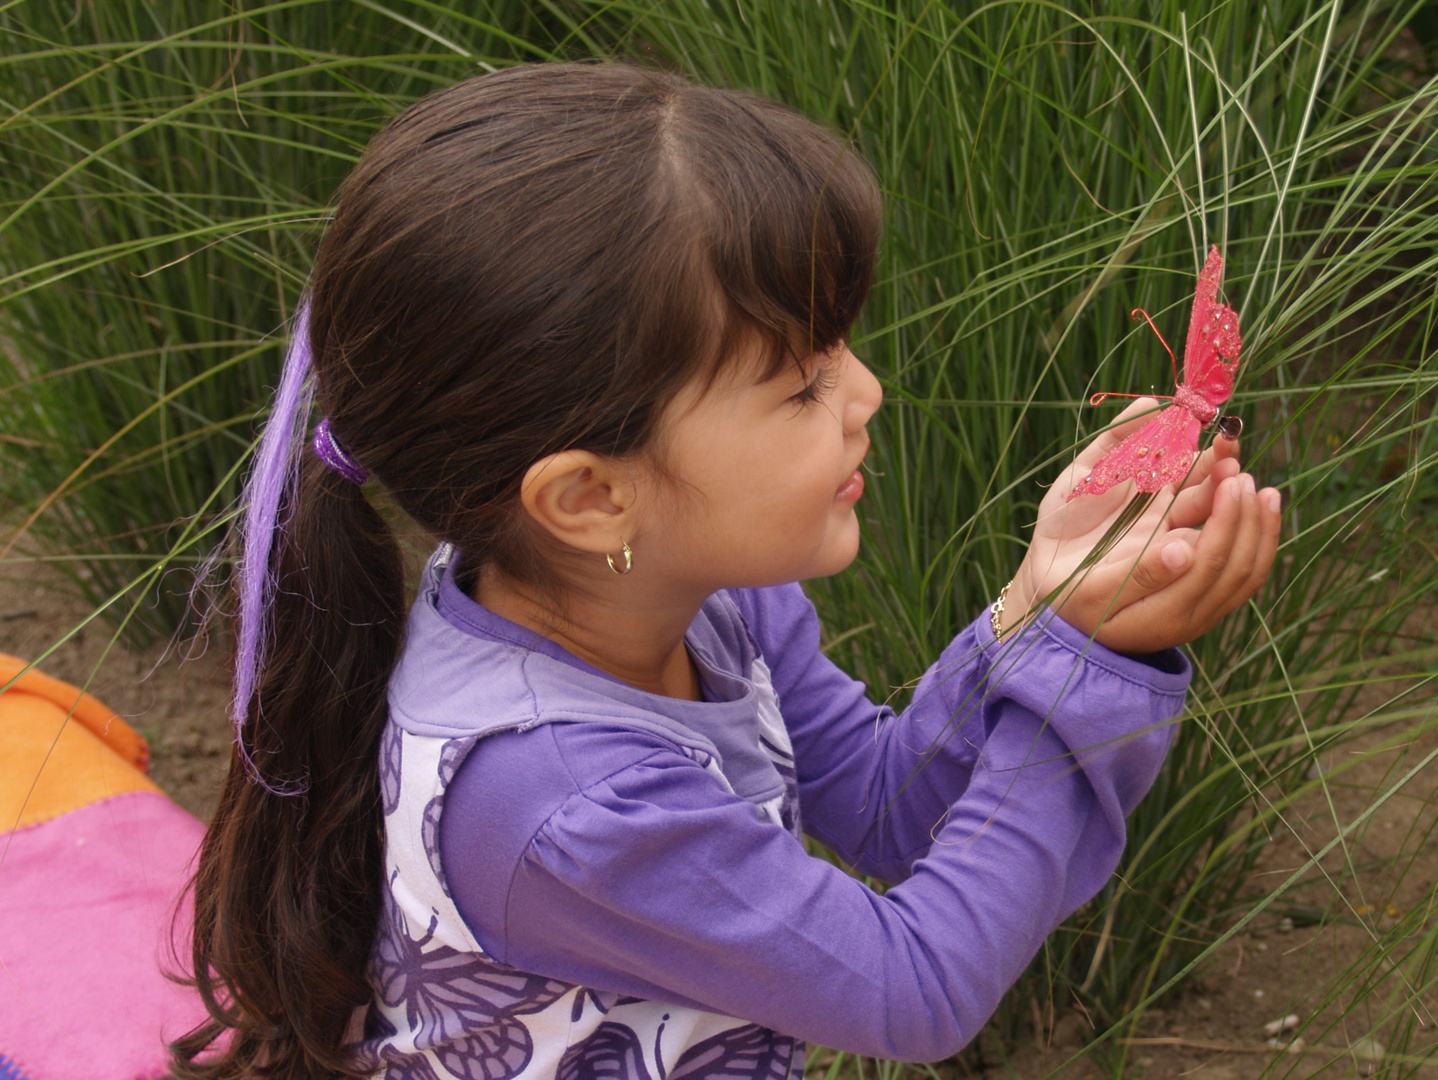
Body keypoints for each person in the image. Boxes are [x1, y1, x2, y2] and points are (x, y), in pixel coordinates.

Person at [174, 62, 1281, 1080]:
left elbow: (891, 805)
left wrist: (1044, 605)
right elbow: (916, 987)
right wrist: (1081, 670)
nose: (867, 393)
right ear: (590, 496)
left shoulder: (695, 601)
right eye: (801, 385)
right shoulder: (563, 803)